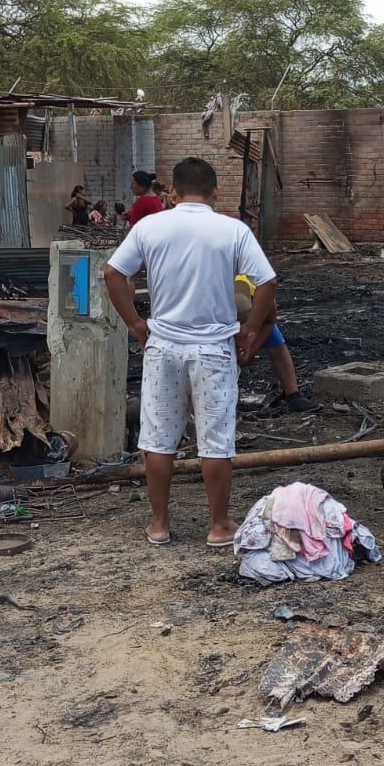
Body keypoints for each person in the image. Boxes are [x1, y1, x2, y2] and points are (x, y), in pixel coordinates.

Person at [105, 157, 277, 547]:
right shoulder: (233, 230)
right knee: (215, 441)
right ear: (216, 191)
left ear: (172, 193)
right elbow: (266, 282)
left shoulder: (150, 226)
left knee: (159, 438)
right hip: (214, 350)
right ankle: (218, 526)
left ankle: (160, 525)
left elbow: (114, 273)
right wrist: (249, 330)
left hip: (162, 346)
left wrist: (135, 323)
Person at [235, 274, 320, 414]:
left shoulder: (262, 289)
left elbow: (270, 321)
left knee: (275, 342)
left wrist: (251, 348)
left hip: (255, 313)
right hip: (218, 320)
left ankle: (293, 396)